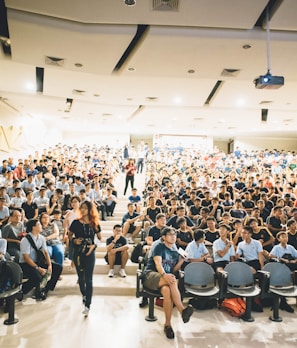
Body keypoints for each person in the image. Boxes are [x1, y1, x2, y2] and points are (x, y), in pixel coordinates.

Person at [143, 226, 193, 339]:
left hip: (164, 281)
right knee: (171, 280)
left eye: (174, 235)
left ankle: (168, 325)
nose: (173, 237)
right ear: (163, 237)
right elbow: (158, 264)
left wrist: (181, 261)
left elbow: (174, 269)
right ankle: (181, 310)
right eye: (170, 235)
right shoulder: (159, 246)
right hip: (151, 275)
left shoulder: (175, 250)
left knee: (166, 291)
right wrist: (165, 275)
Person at [69, 200, 101, 317]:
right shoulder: (76, 222)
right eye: (81, 208)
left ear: (89, 209)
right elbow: (69, 235)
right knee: (81, 278)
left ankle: (88, 304)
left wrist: (94, 245)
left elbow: (99, 237)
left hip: (90, 253)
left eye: (85, 208)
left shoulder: (94, 223)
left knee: (89, 279)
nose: (82, 210)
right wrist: (74, 240)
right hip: (78, 253)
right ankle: (84, 294)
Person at [19, 219, 62, 301]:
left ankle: (45, 289)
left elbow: (46, 252)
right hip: (26, 264)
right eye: (39, 224)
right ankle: (22, 289)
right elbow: (26, 258)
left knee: (58, 267)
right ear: (33, 227)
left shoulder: (41, 238)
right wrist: (38, 268)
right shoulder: (25, 240)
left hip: (37, 262)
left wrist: (49, 265)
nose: (41, 226)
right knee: (37, 277)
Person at [268, 231, 296, 313]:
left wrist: (294, 261)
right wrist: (281, 259)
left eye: (286, 237)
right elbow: (270, 256)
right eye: (283, 237)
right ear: (279, 239)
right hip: (281, 267)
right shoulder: (277, 248)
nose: (285, 238)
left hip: (291, 265)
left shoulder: (290, 247)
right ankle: (283, 302)